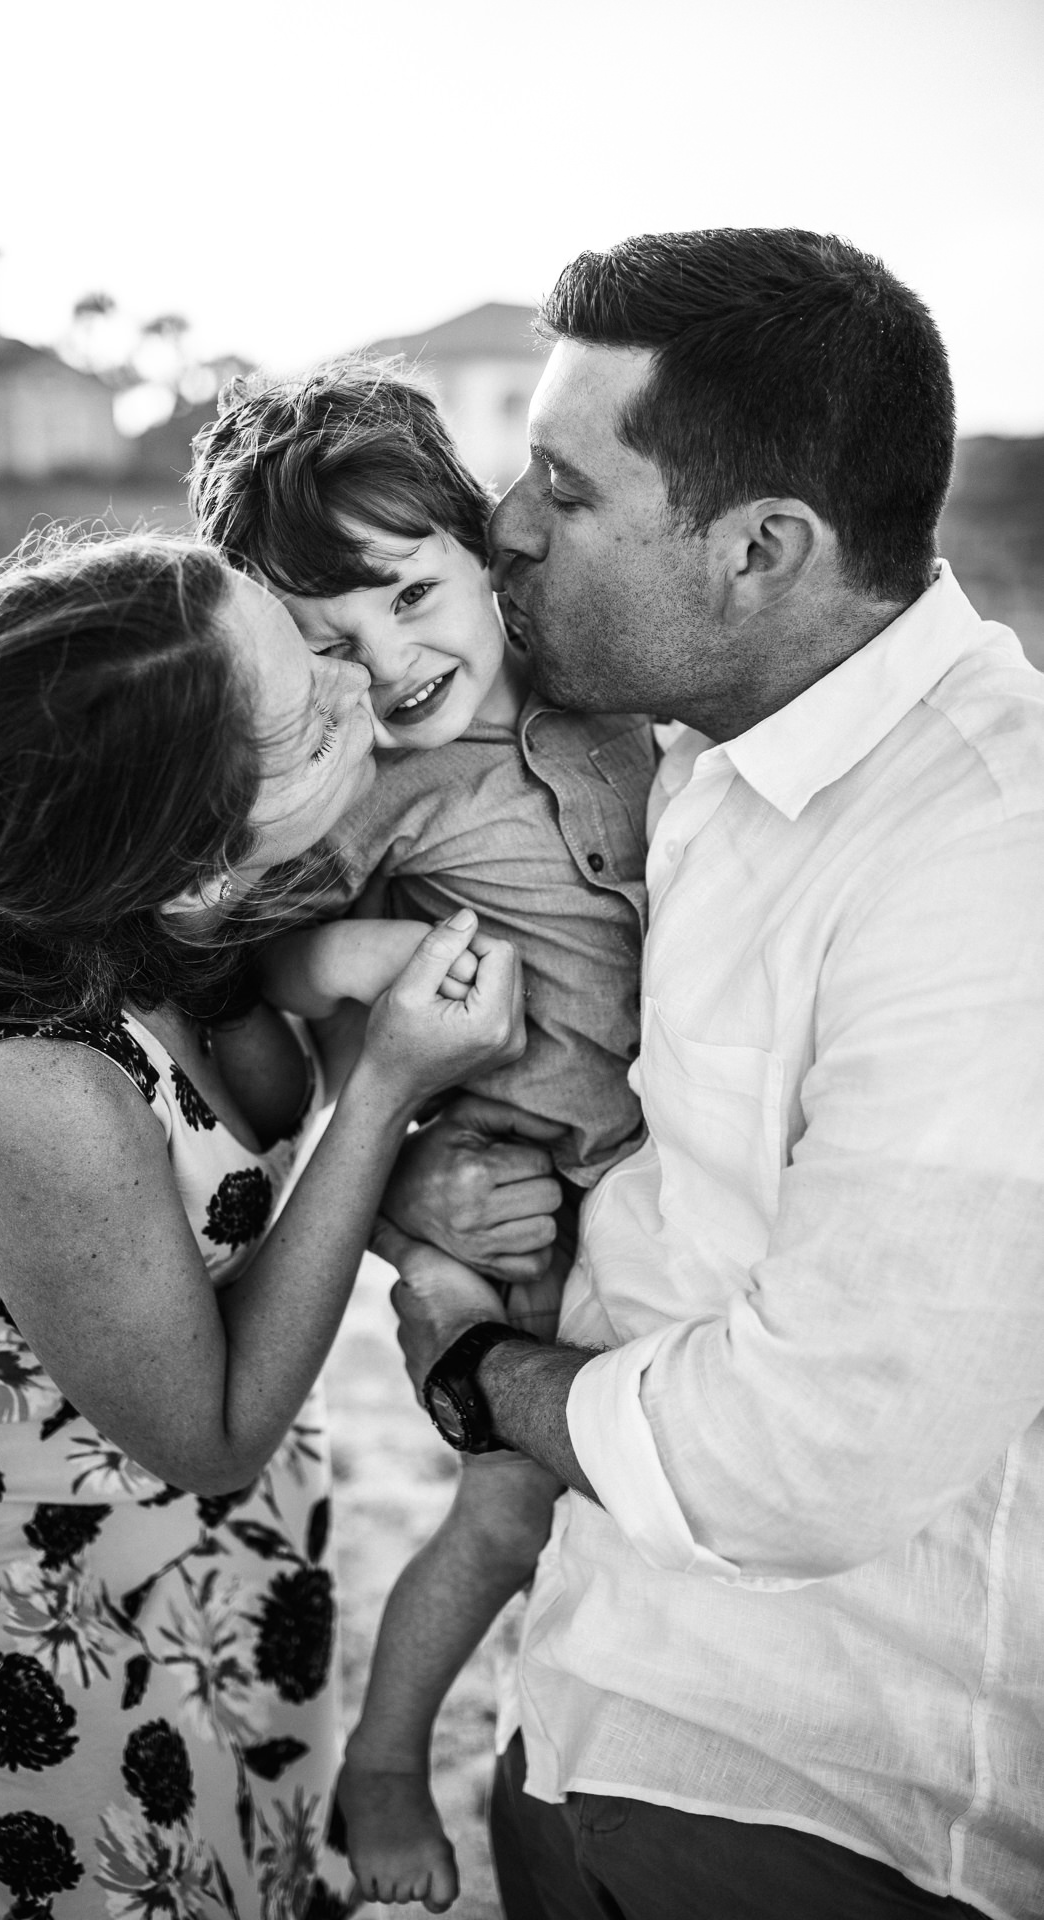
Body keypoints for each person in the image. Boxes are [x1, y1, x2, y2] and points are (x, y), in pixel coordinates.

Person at [379, 229, 1044, 1920]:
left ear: (760, 548)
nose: (501, 527)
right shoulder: (675, 750)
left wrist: (477, 1373)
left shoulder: (990, 855)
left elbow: (802, 1455)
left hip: (820, 1806)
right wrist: (439, 1185)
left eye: (562, 486)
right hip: (578, 1709)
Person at [0, 529, 524, 1920]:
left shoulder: (100, 830)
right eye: (307, 711)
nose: (357, 683)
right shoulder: (29, 1085)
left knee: (255, 1845)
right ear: (187, 869)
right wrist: (382, 1089)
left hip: (166, 1456)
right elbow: (209, 1433)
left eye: (311, 646)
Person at [189, 364, 653, 1907]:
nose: (385, 661)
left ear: (478, 549)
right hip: (510, 1206)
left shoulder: (616, 697)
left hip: (666, 1180)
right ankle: (390, 1760)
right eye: (325, 642)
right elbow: (261, 970)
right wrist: (349, 968)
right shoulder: (362, 796)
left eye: (406, 594)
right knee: (508, 1512)